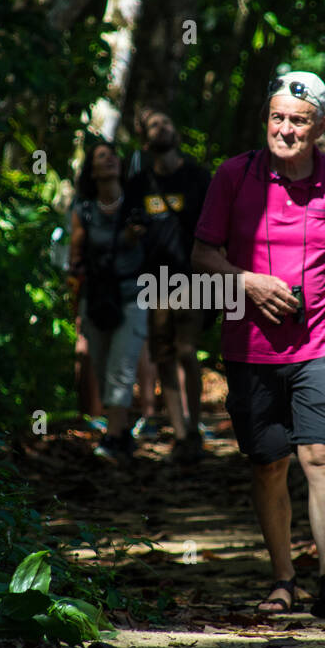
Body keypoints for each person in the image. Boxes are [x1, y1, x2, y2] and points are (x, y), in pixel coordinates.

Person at [191, 71, 325, 618]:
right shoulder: (234, 176)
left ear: (321, 126)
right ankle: (282, 579)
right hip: (250, 348)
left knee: (320, 455)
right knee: (268, 463)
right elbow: (202, 256)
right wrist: (246, 282)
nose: (286, 129)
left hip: (324, 342)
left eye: (298, 120)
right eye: (277, 118)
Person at [128, 109, 212, 463]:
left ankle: (194, 425)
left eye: (166, 122)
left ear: (176, 131)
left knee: (186, 351)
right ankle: (181, 434)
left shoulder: (197, 176)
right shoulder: (138, 182)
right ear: (146, 141)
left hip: (194, 277)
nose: (162, 128)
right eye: (153, 126)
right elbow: (129, 225)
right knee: (162, 354)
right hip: (155, 280)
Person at [68, 142, 149, 465]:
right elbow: (75, 260)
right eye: (102, 156)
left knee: (122, 366)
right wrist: (75, 301)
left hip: (133, 296)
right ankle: (122, 432)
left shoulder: (135, 204)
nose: (110, 160)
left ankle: (114, 436)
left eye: (114, 155)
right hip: (97, 299)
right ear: (92, 169)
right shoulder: (83, 211)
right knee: (102, 368)